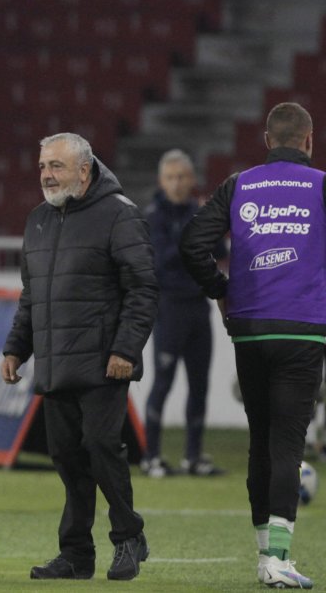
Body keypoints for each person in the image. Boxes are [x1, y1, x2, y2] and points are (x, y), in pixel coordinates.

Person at [0, 133, 156, 582]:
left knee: (101, 448)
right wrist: (16, 347)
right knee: (66, 457)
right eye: (43, 165)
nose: (47, 174)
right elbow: (33, 297)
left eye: (58, 166)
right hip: (55, 362)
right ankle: (76, 555)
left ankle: (129, 537)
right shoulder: (38, 220)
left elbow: (143, 288)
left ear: (84, 171)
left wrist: (126, 349)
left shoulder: (119, 215)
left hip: (104, 361)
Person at [180, 102, 323, 589]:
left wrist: (221, 293)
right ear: (308, 141)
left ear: (267, 140)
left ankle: (266, 555)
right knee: (288, 442)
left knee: (260, 441)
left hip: (249, 328)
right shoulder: (322, 187)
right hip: (302, 329)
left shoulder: (240, 185)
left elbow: (191, 243)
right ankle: (279, 559)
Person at [141, 149, 224, 478]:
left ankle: (193, 456)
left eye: (182, 177)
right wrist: (196, 238)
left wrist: (198, 237)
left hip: (198, 308)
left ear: (192, 180)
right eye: (170, 177)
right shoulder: (152, 216)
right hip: (169, 308)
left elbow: (220, 249)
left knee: (199, 384)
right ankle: (151, 456)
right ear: (162, 181)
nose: (176, 183)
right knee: (162, 383)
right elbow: (162, 260)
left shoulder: (198, 212)